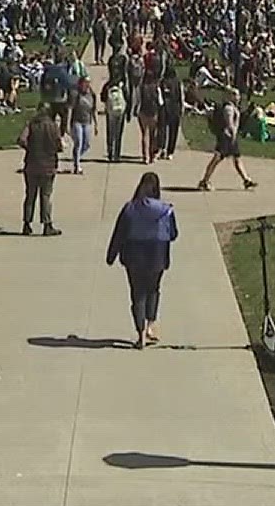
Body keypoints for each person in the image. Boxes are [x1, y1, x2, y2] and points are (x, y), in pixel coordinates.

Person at [106, 171, 179, 349]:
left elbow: (119, 233)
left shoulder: (130, 208)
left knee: (137, 294)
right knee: (153, 289)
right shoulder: (165, 210)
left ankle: (140, 335)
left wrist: (111, 255)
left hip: (133, 256)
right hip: (157, 256)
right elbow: (174, 234)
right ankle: (150, 325)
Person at [196, 89, 256, 191]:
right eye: (235, 95)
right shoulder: (228, 108)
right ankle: (204, 181)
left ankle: (246, 180)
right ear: (230, 96)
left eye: (238, 95)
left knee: (237, 159)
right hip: (226, 137)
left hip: (231, 137)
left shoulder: (233, 107)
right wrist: (233, 135)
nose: (238, 97)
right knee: (217, 159)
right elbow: (230, 124)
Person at [18, 105, 63, 237]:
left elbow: (21, 140)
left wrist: (29, 148)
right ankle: (47, 224)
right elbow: (59, 145)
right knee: (46, 196)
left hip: (31, 164)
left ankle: (27, 224)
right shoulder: (53, 126)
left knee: (30, 195)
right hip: (48, 166)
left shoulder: (31, 125)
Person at [68, 76, 96, 175]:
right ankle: (77, 165)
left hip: (87, 122)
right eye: (85, 82)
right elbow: (70, 109)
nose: (87, 85)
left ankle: (77, 156)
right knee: (78, 142)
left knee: (86, 144)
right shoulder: (75, 95)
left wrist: (96, 124)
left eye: (88, 82)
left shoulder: (92, 95)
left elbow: (93, 110)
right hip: (77, 122)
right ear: (80, 84)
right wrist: (68, 124)